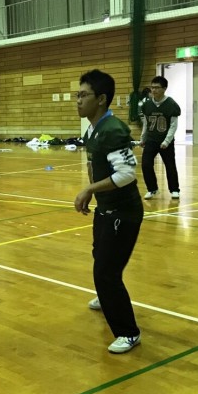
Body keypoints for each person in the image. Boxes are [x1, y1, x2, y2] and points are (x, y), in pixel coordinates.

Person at [73, 69, 143, 354]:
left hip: (123, 212)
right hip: (105, 208)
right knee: (99, 255)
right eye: (77, 95)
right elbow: (95, 165)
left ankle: (129, 332)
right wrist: (93, 191)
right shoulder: (92, 129)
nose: (78, 101)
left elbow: (127, 174)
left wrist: (89, 189)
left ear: (101, 99)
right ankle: (106, 297)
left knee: (106, 272)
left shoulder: (113, 130)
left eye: (83, 95)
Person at [140, 76, 181, 200]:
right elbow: (146, 123)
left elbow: (173, 125)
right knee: (146, 164)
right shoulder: (147, 105)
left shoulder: (171, 104)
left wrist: (167, 141)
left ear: (164, 88)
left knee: (170, 165)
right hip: (151, 140)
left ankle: (174, 189)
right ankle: (152, 189)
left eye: (157, 87)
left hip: (165, 141)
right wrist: (143, 138)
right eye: (152, 87)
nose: (154, 90)